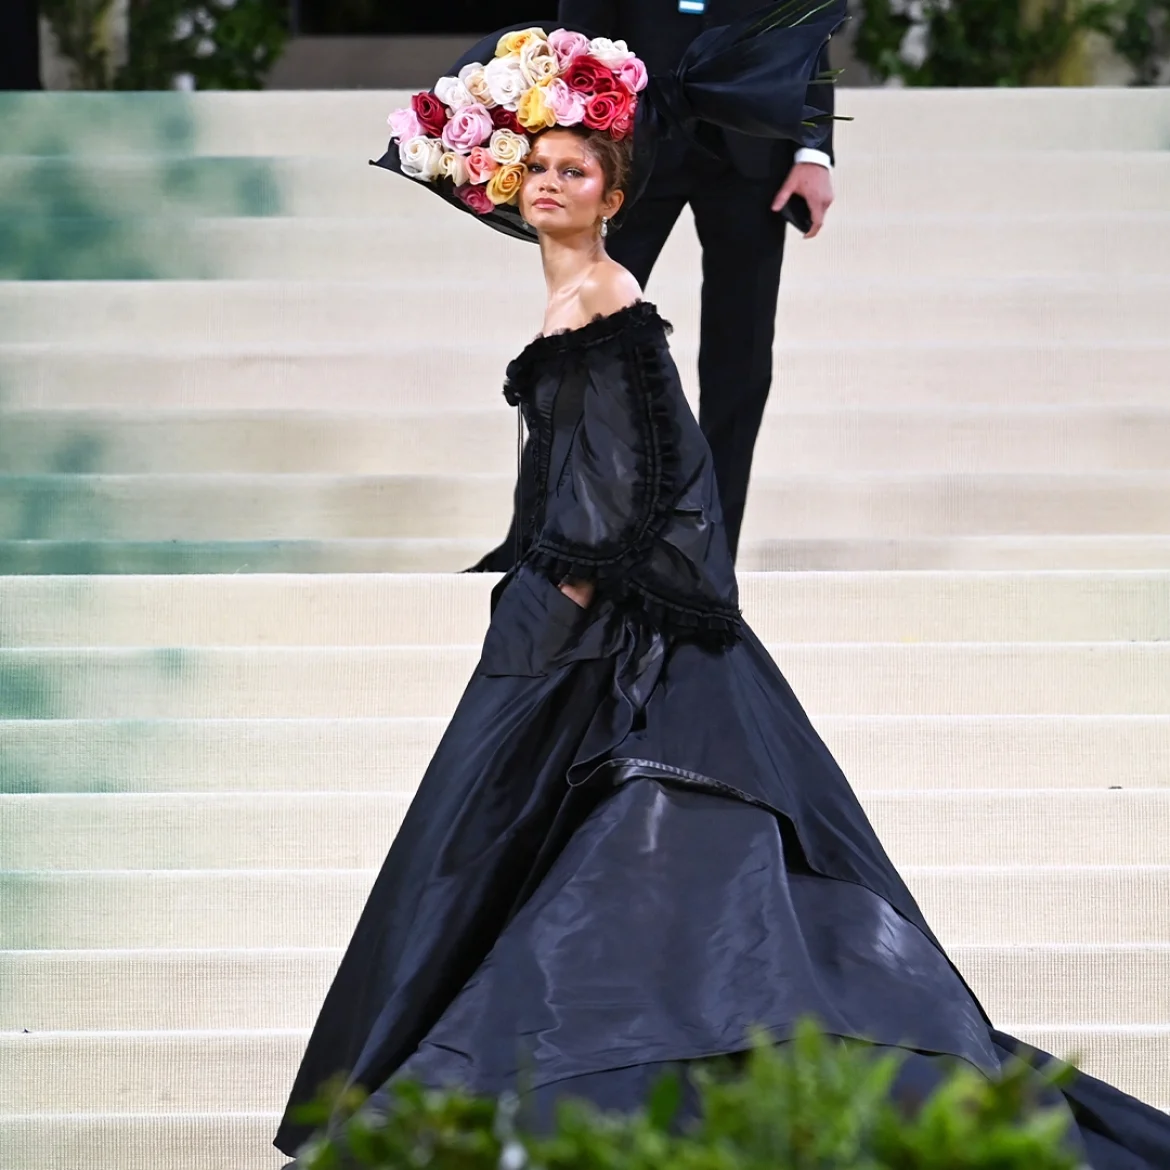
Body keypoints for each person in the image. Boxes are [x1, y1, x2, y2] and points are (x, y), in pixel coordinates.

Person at [275, 13, 1170, 1167]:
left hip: (596, 623)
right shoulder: (580, 294)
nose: (548, 186)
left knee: (591, 847)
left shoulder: (606, 304)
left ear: (612, 193)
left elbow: (652, 465)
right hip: (583, 602)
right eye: (536, 168)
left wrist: (569, 603)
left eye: (573, 171)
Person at [470, 0, 836, 572]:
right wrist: (573, 145)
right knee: (579, 344)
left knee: (739, 362)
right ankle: (534, 539)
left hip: (752, 145)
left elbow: (804, 27)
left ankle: (709, 552)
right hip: (633, 141)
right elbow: (582, 29)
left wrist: (814, 150)